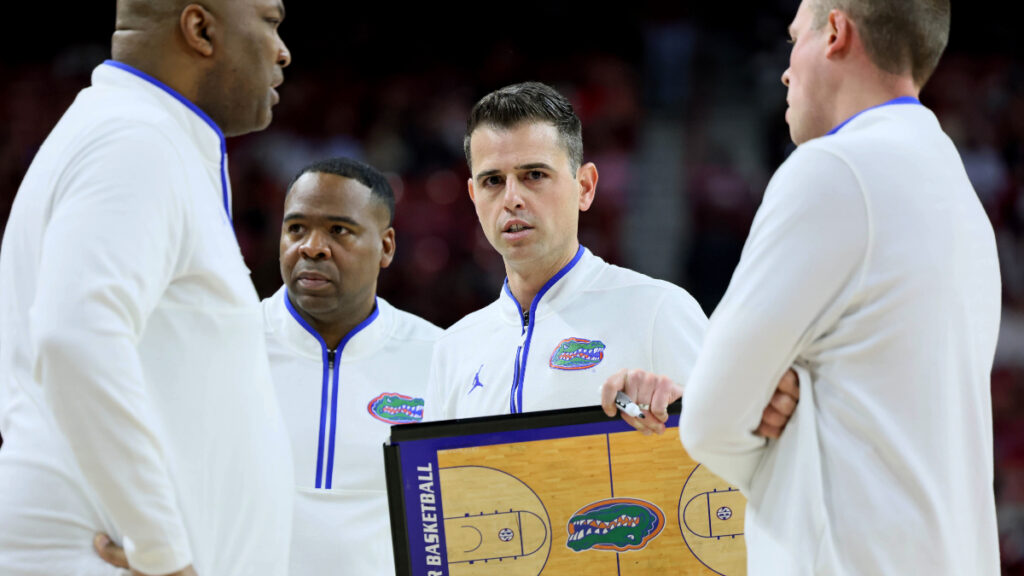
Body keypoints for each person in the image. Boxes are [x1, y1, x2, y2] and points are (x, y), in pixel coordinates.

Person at [601, 0, 1001, 574]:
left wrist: (765, 411)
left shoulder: (834, 169)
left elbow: (712, 419)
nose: (786, 70)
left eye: (794, 40)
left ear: (835, 32)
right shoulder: (962, 197)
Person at [0, 1, 293, 575]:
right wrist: (162, 553)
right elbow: (75, 335)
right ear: (200, 28)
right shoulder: (136, 139)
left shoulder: (130, 131)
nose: (282, 51)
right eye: (270, 22)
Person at [427, 82, 798, 428]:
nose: (512, 199)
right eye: (493, 181)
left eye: (534, 175)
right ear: (474, 198)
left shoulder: (658, 311)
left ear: (585, 187)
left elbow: (735, 460)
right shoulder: (453, 349)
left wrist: (680, 421)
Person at [264, 157, 440, 575]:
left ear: (386, 247)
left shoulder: (441, 354)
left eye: (338, 230)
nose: (311, 247)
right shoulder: (229, 344)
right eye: (296, 229)